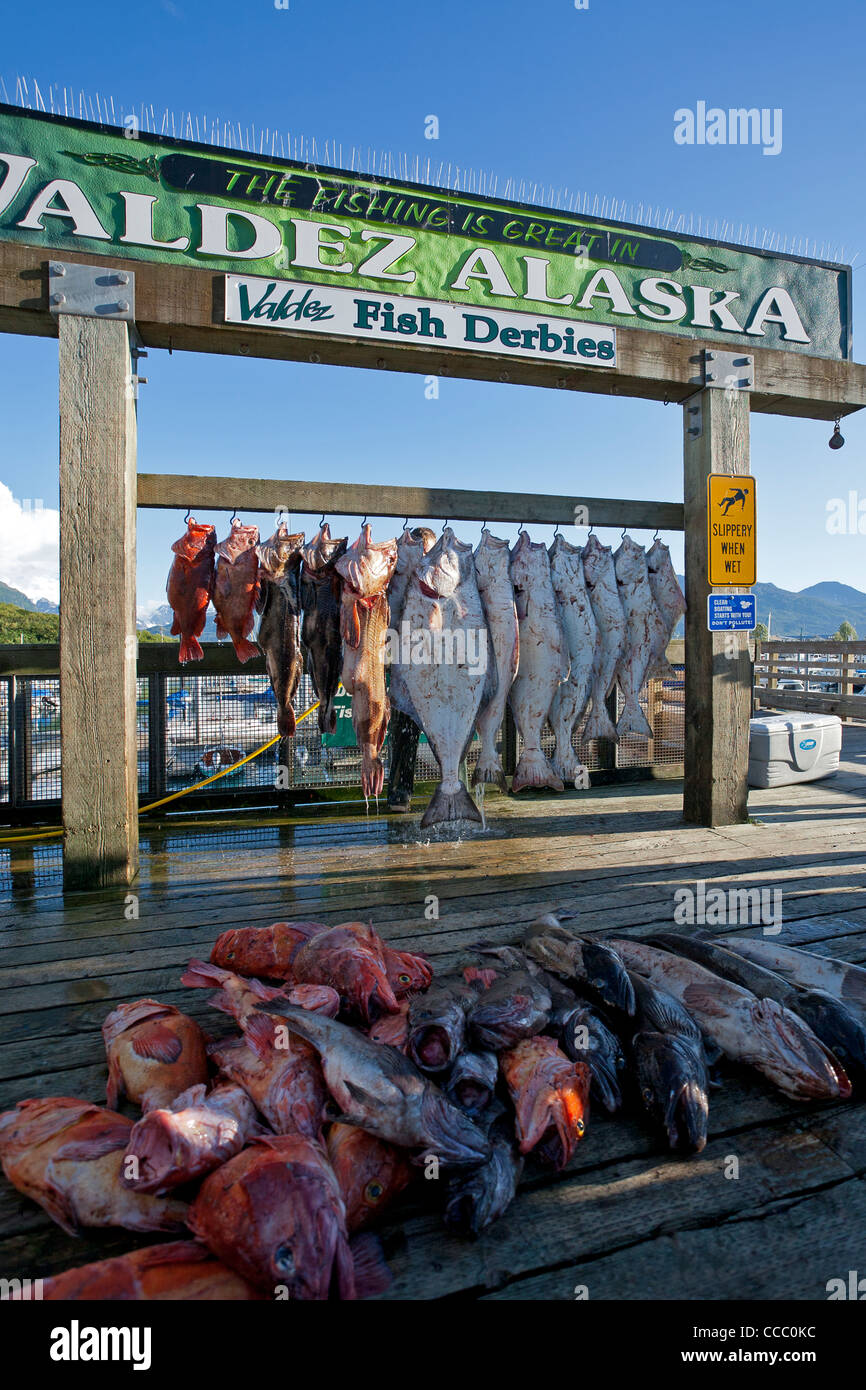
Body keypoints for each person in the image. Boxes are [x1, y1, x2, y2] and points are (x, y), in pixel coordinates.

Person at [387, 526, 436, 813]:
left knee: (446, 736)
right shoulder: (399, 576)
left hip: (435, 674)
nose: (422, 556)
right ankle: (399, 794)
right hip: (404, 671)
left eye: (426, 550)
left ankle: (456, 790)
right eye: (417, 549)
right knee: (403, 733)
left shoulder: (441, 578)